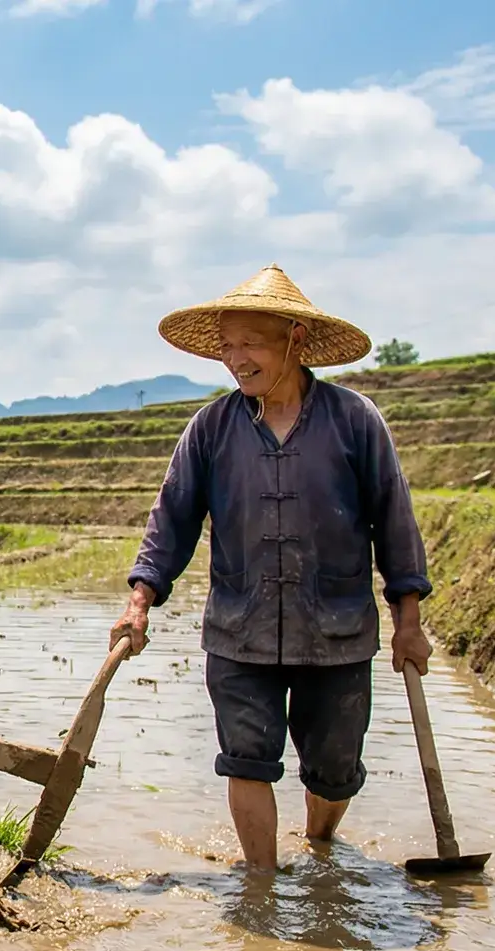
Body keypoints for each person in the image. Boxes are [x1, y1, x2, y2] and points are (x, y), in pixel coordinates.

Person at [111, 265, 433, 872]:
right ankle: (260, 887)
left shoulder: (354, 421)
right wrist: (139, 600)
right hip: (240, 630)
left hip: (335, 632)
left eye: (250, 342)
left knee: (335, 771)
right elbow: (171, 519)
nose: (236, 358)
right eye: (227, 346)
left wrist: (408, 619)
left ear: (296, 340)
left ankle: (318, 846)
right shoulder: (211, 428)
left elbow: (394, 521)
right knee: (245, 757)